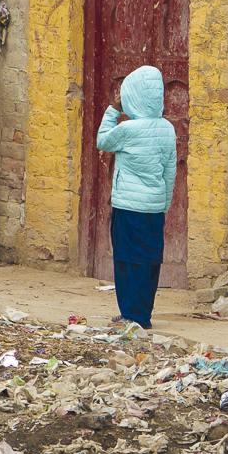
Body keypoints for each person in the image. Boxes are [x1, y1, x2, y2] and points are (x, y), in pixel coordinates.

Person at [96, 65, 178, 329]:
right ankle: (143, 314)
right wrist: (164, 204)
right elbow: (170, 170)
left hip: (128, 207)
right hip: (154, 208)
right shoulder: (167, 129)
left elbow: (102, 141)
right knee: (149, 261)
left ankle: (131, 315)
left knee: (126, 259)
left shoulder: (127, 130)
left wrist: (113, 109)